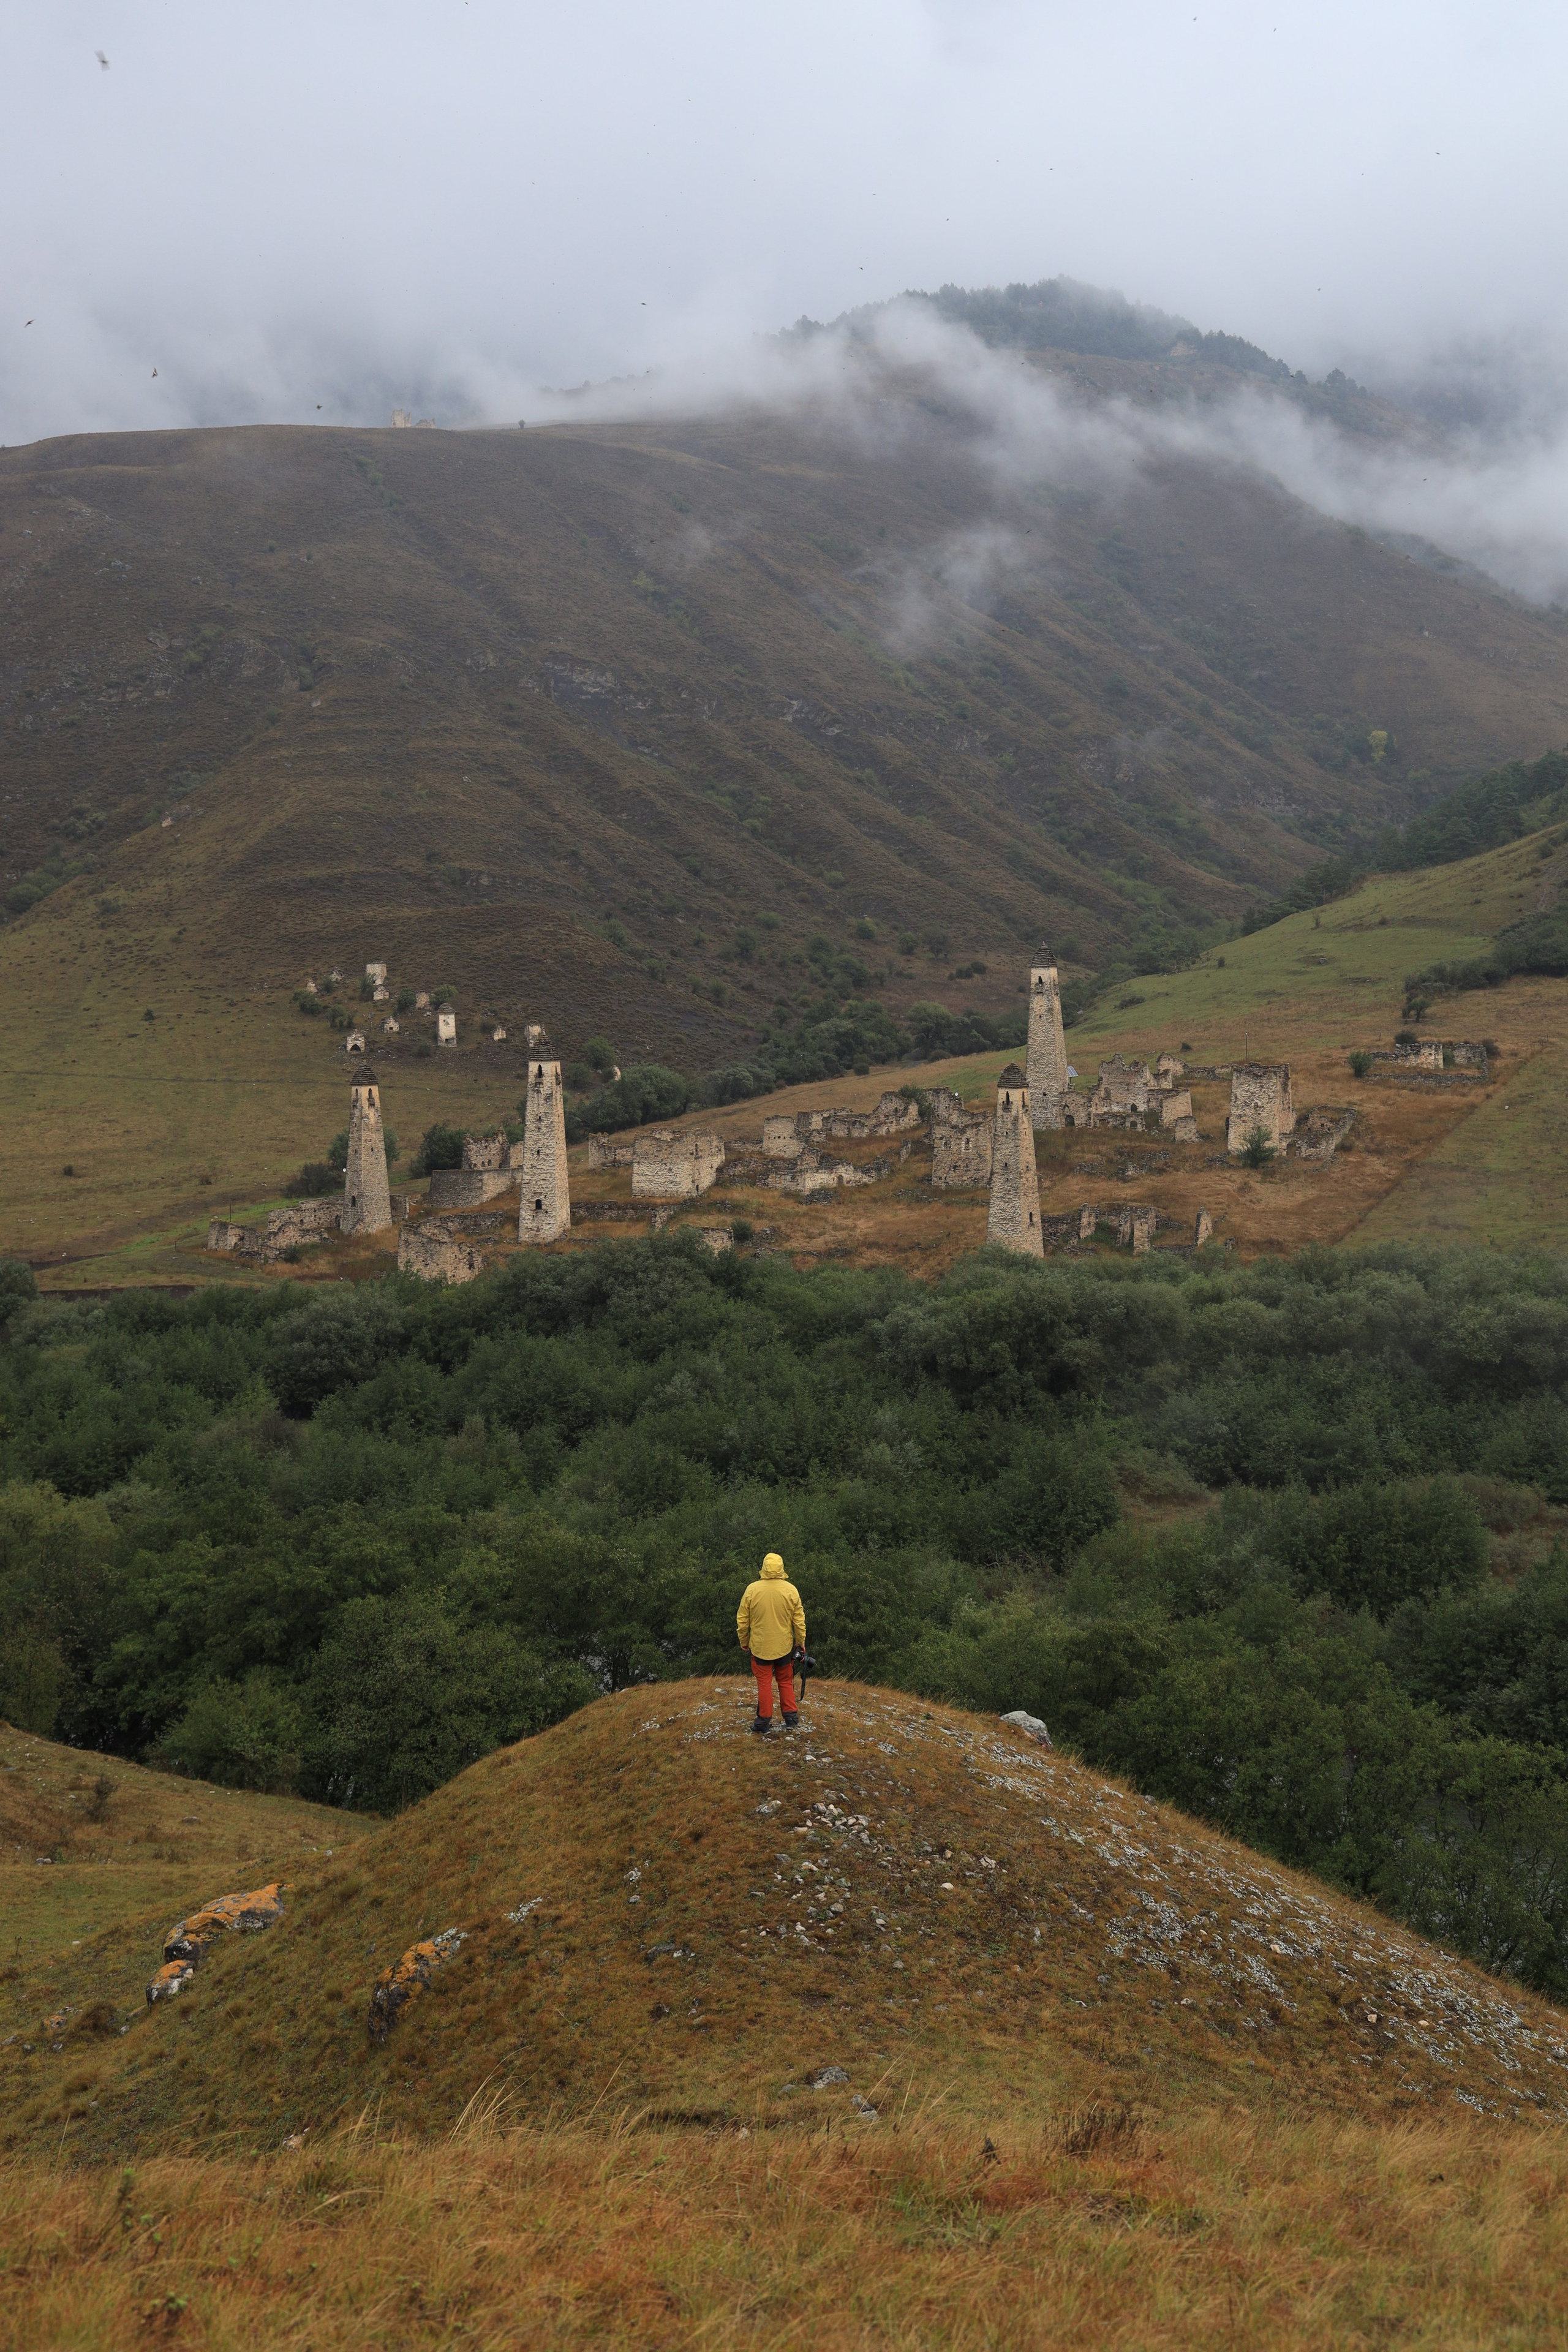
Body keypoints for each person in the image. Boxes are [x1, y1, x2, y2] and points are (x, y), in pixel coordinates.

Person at [737, 1550, 805, 1735]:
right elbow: (799, 1621)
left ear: (764, 1568)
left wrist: (744, 1640)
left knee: (764, 1684)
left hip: (760, 1648)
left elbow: (742, 1620)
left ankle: (763, 1722)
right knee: (786, 1681)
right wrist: (800, 1642)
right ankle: (791, 1719)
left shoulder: (752, 1589)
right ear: (781, 1568)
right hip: (784, 1647)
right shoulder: (791, 1590)